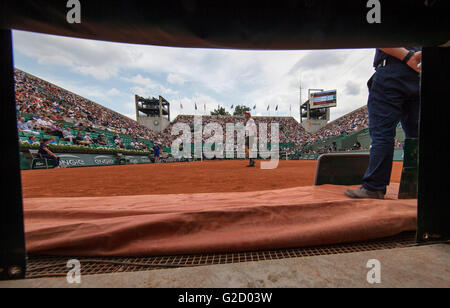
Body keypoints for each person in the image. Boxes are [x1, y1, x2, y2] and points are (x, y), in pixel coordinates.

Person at [345, 47, 421, 199]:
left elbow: (380, 36)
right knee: (417, 135)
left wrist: (407, 57)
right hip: (418, 72)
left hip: (393, 68)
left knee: (382, 133)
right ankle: (417, 187)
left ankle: (374, 187)